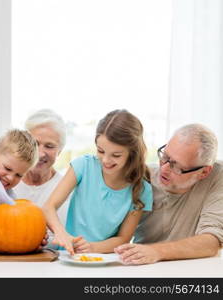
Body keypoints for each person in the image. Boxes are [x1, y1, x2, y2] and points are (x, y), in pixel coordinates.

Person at [43, 109, 153, 255]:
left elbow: (123, 238)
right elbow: (48, 207)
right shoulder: (83, 166)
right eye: (101, 151)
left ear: (132, 153)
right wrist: (61, 234)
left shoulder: (141, 189)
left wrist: (92, 247)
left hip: (105, 260)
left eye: (116, 155)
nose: (106, 160)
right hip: (69, 256)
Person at [115, 123, 223, 265]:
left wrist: (157, 252)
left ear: (204, 172)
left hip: (190, 270)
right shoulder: (143, 177)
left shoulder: (217, 177)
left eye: (177, 166)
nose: (164, 169)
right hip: (142, 267)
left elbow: (212, 242)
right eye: (164, 156)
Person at [13, 109, 70, 243]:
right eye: (35, 143)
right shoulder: (8, 182)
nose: (40, 153)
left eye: (49, 146)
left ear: (60, 151)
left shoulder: (66, 188)